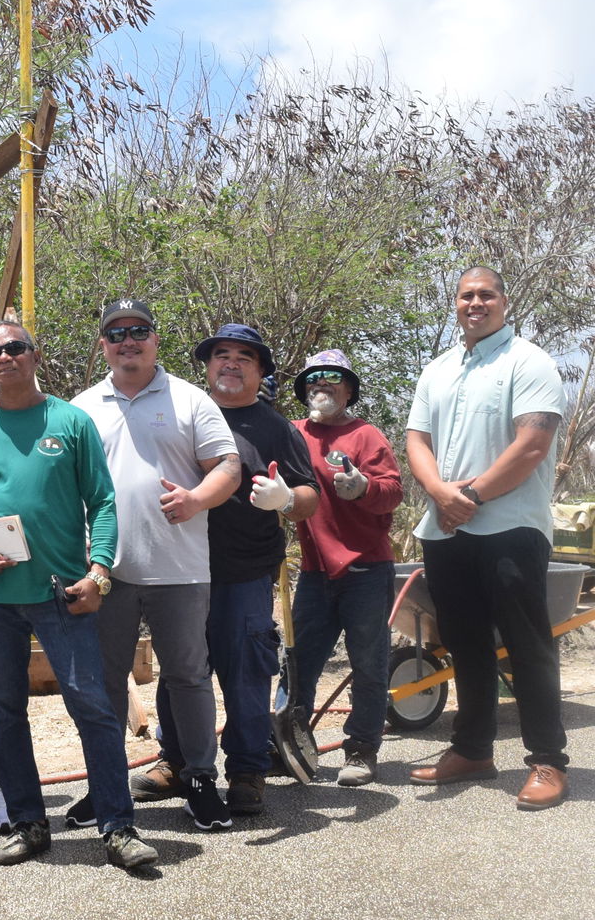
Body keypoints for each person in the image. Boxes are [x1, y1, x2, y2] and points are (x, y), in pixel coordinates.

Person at [0, 321, 156, 871]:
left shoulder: (70, 422)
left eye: (16, 348)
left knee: (93, 708)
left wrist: (100, 573)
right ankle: (30, 823)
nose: (5, 357)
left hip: (63, 592)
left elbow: (102, 502)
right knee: (3, 711)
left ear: (35, 356)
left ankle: (118, 826)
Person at [71, 299, 241, 832]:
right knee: (103, 684)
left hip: (181, 570)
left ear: (154, 339)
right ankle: (104, 787)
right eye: (116, 333)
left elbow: (229, 468)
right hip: (106, 573)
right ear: (103, 344)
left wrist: (196, 499)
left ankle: (200, 781)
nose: (128, 340)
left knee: (189, 677)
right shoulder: (81, 408)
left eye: (139, 331)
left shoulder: (191, 400)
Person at [406, 266, 570, 808]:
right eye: (465, 296)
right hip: (446, 529)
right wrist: (439, 494)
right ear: (454, 304)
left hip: (510, 526)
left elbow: (531, 444)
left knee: (526, 644)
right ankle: (473, 749)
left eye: (486, 295)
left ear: (504, 301)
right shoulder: (438, 369)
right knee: (465, 642)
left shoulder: (530, 361)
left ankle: (547, 759)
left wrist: (468, 497)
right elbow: (417, 440)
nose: (475, 303)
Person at [156, 324, 317, 816]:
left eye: (244, 356)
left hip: (244, 573)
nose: (230, 362)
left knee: (247, 673)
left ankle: (248, 770)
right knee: (180, 672)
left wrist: (286, 498)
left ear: (260, 370)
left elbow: (309, 500)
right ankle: (176, 761)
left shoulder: (275, 428)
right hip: (178, 569)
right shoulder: (179, 415)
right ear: (206, 366)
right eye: (220, 354)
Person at [289, 349, 403, 787]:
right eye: (314, 378)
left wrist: (364, 488)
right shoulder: (293, 433)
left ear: (349, 389)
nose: (322, 384)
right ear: (304, 389)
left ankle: (360, 750)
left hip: (366, 571)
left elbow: (393, 491)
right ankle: (295, 744)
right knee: (299, 664)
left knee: (369, 664)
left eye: (333, 378)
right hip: (315, 572)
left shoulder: (366, 435)